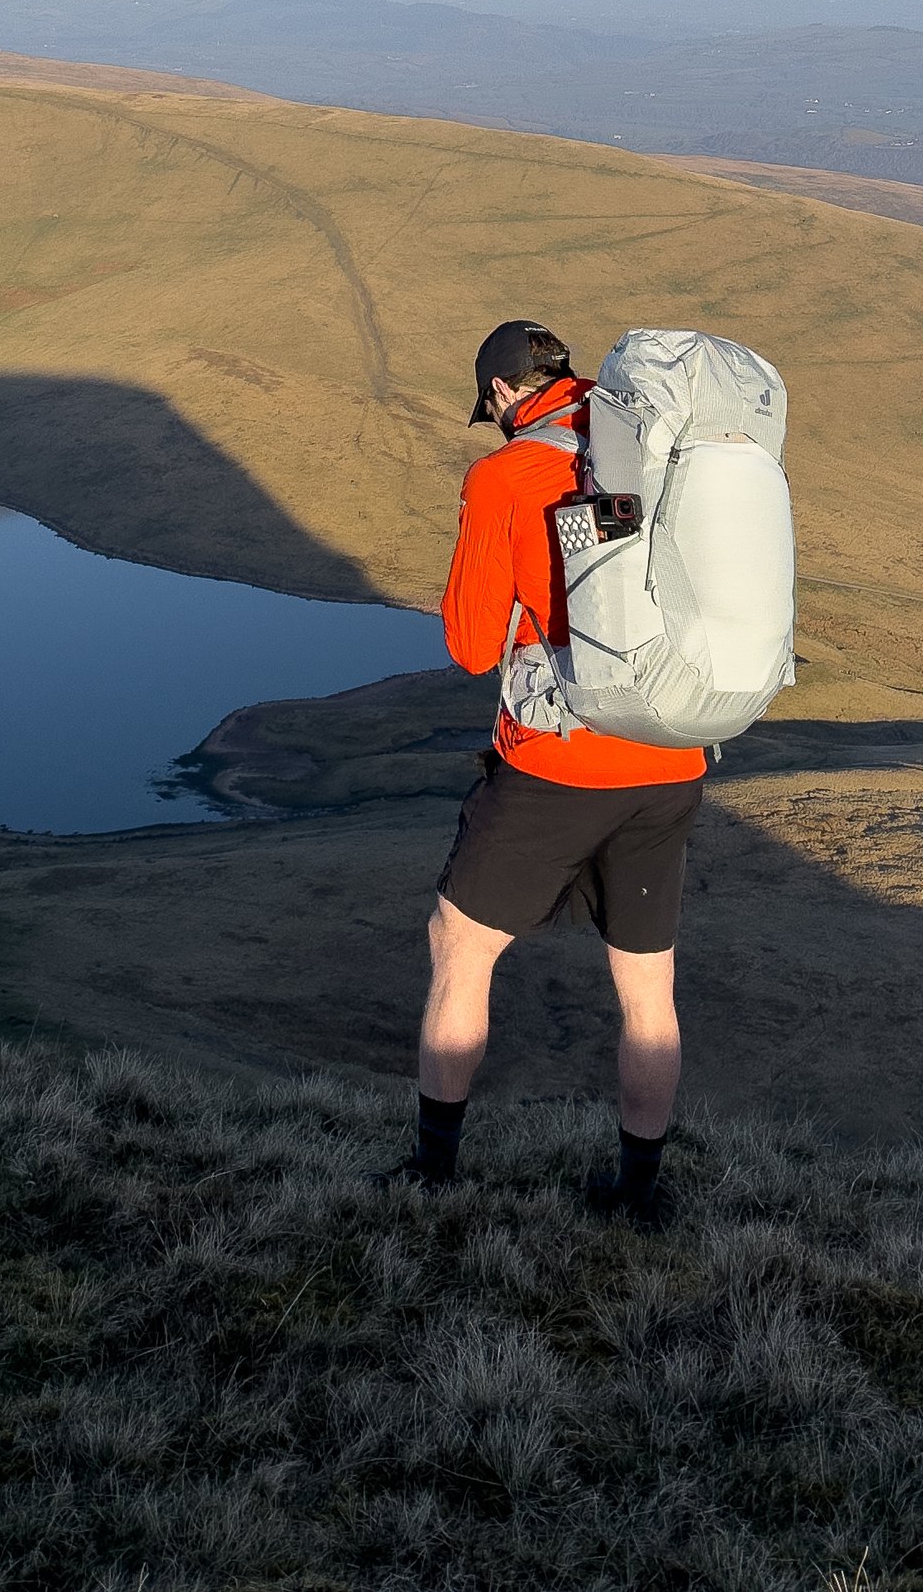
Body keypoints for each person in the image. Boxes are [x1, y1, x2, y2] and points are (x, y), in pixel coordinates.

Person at [400, 318, 706, 1224]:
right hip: (673, 751)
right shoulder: (654, 449)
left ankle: (432, 1175)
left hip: (559, 762)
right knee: (647, 987)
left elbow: (469, 644)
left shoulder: (505, 473)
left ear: (502, 392)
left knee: (460, 945)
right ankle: (638, 1197)